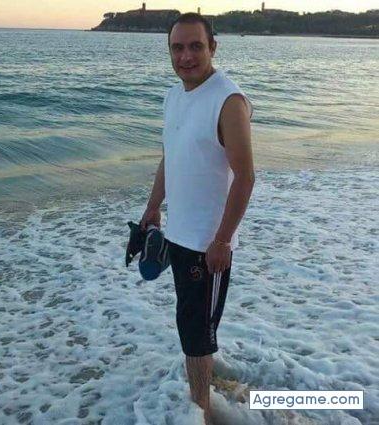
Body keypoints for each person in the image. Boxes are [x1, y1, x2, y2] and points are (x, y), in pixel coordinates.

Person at [140, 12, 255, 425]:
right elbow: (170, 156)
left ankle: (202, 412)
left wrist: (222, 240)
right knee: (194, 323)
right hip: (178, 235)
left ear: (213, 48)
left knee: (194, 331)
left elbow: (245, 176)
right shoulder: (174, 96)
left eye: (195, 46)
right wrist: (153, 207)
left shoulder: (228, 101)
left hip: (208, 245)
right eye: (177, 47)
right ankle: (207, 384)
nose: (186, 56)